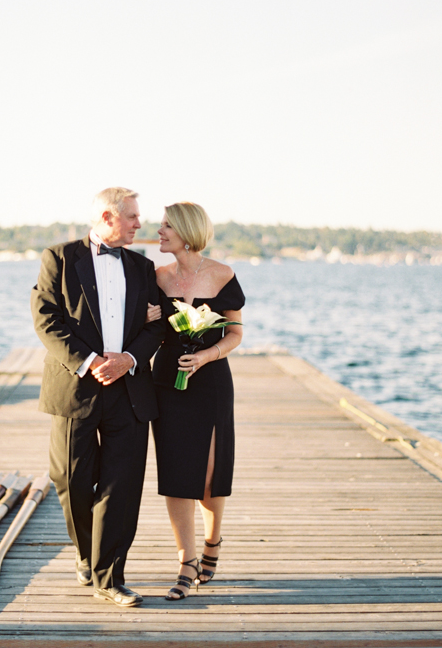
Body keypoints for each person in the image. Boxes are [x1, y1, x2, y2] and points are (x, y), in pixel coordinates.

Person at [30, 187, 164, 607]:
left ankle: (110, 576)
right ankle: (88, 554)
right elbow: (45, 318)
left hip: (128, 391)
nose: (140, 224)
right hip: (75, 389)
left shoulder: (144, 269)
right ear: (108, 217)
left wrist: (128, 358)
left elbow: (157, 328)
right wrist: (89, 361)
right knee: (68, 479)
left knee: (121, 487)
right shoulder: (59, 257)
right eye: (133, 217)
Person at [147, 201, 245, 601]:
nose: (159, 231)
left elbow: (235, 333)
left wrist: (206, 356)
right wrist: (150, 318)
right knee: (175, 471)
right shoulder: (157, 277)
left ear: (187, 232)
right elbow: (147, 329)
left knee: (207, 476)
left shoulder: (223, 276)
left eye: (167, 226)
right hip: (167, 382)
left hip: (211, 383)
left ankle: (213, 540)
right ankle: (186, 561)